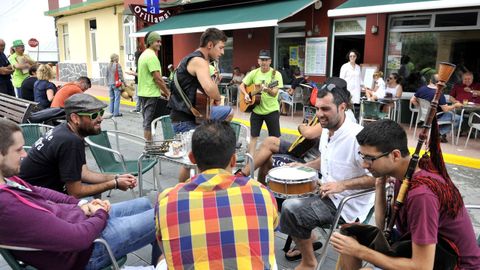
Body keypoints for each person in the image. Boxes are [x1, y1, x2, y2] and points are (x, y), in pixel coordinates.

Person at [0, 118, 160, 270]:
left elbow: (39, 191)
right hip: (86, 252)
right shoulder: (7, 205)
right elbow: (78, 239)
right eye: (19, 149)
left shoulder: (7, 180)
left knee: (145, 204)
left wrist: (82, 204)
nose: (25, 155)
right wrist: (100, 213)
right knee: (164, 217)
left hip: (80, 223)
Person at [331, 119, 480, 269]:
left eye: (370, 158)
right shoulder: (404, 175)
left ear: (395, 155)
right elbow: (382, 225)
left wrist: (360, 251)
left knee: (361, 260)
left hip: (453, 264)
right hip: (417, 245)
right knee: (349, 234)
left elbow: (422, 267)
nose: (364, 164)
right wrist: (379, 184)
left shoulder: (421, 195)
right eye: (362, 156)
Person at [155, 120, 278, 269]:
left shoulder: (166, 200)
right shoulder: (262, 194)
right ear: (233, 160)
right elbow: (271, 230)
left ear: (192, 158)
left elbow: (165, 245)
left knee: (163, 257)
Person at [279, 81, 375, 267]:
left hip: (347, 204)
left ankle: (309, 262)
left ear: (342, 107)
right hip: (327, 192)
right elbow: (326, 160)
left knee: (291, 208)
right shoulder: (327, 129)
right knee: (284, 194)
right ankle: (308, 239)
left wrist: (342, 185)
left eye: (325, 109)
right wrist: (304, 166)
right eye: (317, 109)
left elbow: (377, 179)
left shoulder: (359, 138)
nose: (319, 114)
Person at [19, 94, 137, 198]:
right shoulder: (70, 142)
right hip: (35, 199)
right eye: (94, 115)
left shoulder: (66, 131)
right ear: (75, 118)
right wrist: (114, 184)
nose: (100, 118)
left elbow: (84, 173)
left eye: (101, 113)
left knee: (94, 191)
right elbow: (75, 193)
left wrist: (117, 177)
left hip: (36, 192)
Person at [168, 28, 233, 134]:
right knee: (229, 112)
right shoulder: (199, 61)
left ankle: (215, 137)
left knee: (227, 112)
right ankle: (218, 137)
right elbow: (209, 88)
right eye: (220, 48)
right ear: (210, 45)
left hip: (188, 117)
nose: (222, 52)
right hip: (186, 122)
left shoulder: (189, 58)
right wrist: (217, 98)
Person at [239, 49, 283, 154]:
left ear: (270, 61)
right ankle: (250, 162)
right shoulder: (254, 73)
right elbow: (242, 85)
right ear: (258, 61)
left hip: (271, 110)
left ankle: (274, 161)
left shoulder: (275, 74)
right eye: (262, 60)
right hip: (256, 109)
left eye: (266, 60)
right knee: (253, 136)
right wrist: (246, 94)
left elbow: (275, 93)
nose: (264, 62)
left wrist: (267, 89)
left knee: (274, 138)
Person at [138, 31, 171, 141]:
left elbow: (147, 78)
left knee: (150, 122)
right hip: (150, 94)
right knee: (150, 123)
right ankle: (149, 148)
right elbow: (158, 79)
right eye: (157, 41)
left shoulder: (143, 55)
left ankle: (150, 147)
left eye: (160, 41)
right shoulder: (152, 57)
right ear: (150, 42)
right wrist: (168, 93)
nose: (160, 44)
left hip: (144, 93)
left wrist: (161, 91)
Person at [410, 74, 462, 143]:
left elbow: (412, 100)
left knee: (451, 115)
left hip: (424, 116)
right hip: (436, 117)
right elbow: (445, 109)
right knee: (459, 118)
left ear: (430, 80)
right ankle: (438, 133)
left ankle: (436, 133)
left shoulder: (422, 89)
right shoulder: (439, 93)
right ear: (440, 83)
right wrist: (455, 105)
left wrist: (422, 108)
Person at [125, 46, 143, 113]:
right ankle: (138, 108)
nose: (135, 59)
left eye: (135, 57)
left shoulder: (140, 63)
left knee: (139, 96)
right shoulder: (139, 63)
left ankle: (139, 109)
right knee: (138, 95)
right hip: (138, 81)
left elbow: (140, 74)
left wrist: (131, 73)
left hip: (140, 82)